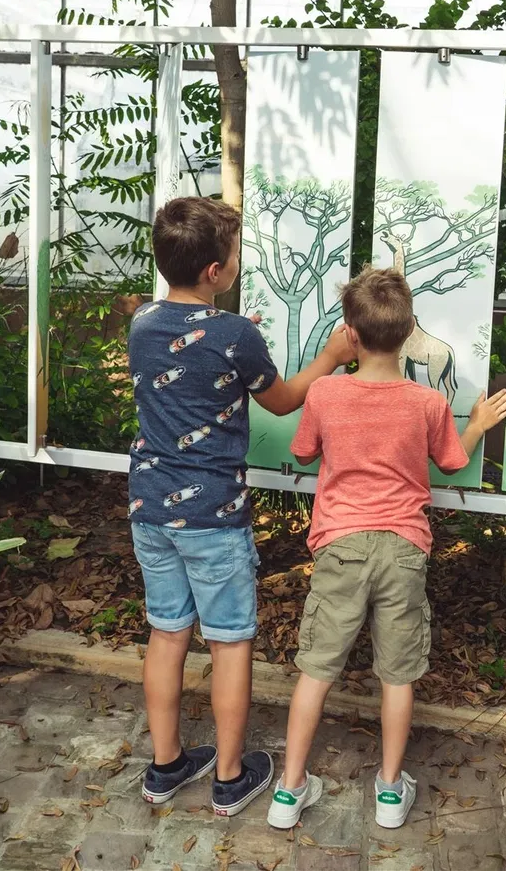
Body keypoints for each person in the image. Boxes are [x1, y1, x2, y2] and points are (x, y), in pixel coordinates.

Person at [267, 266, 506, 831]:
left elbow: (304, 453)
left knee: (317, 669)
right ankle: (387, 792)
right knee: (397, 675)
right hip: (404, 548)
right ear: (407, 335)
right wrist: (474, 424)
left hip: (340, 546)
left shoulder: (327, 392)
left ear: (350, 333)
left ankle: (289, 791)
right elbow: (451, 462)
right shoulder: (427, 402)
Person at [128, 196, 353, 816]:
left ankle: (166, 765)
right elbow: (282, 402)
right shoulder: (235, 335)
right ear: (215, 273)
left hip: (150, 507)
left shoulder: (143, 321)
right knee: (229, 641)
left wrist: (229, 338)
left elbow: (190, 359)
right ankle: (229, 777)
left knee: (167, 632)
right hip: (213, 517)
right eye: (231, 257)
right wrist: (331, 358)